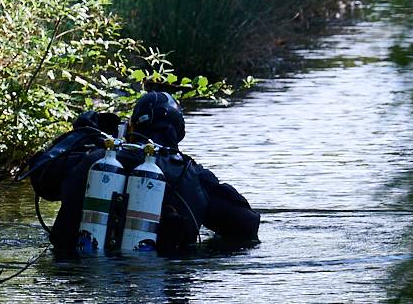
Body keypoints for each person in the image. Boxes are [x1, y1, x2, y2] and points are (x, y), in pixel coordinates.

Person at [24, 91, 262, 255]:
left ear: (132, 127)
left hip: (78, 275)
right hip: (155, 279)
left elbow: (41, 177)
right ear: (179, 133)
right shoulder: (189, 174)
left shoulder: (95, 158)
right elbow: (246, 226)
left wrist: (83, 133)